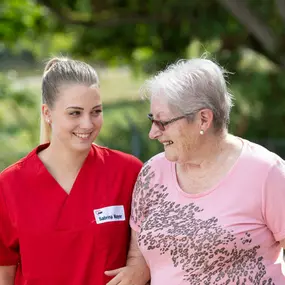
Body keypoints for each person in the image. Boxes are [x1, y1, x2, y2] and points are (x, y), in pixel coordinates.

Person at [128, 58, 285, 284]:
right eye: (152, 120)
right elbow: (138, 258)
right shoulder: (152, 173)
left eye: (163, 122)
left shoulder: (267, 173)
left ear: (203, 119)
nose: (153, 133)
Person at [0, 57, 145, 285]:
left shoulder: (128, 173)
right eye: (75, 113)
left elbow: (157, 247)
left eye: (96, 111)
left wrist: (141, 268)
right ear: (47, 113)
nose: (87, 124)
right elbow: (4, 274)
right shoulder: (10, 185)